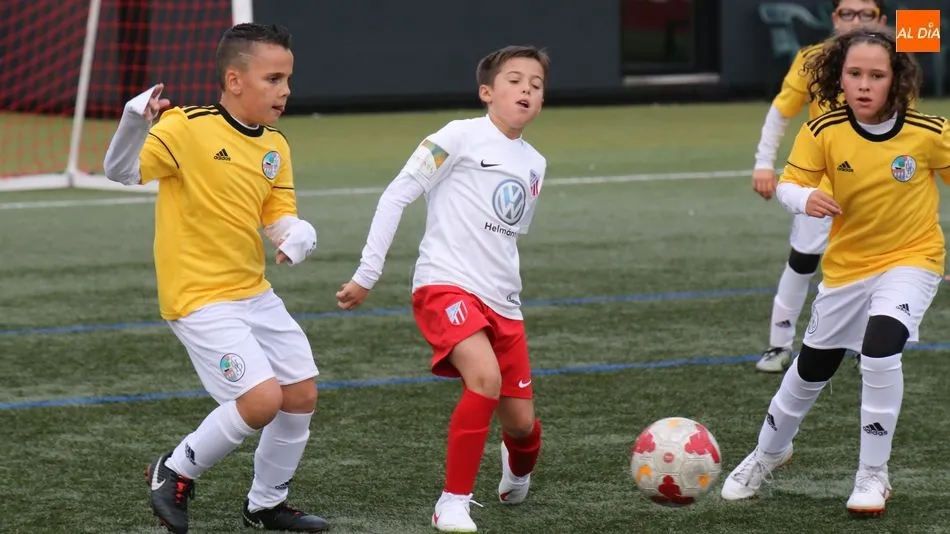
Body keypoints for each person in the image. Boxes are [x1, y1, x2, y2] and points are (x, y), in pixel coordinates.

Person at [102, 23, 327, 533]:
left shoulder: (275, 144)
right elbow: (121, 171)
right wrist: (133, 121)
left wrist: (295, 231)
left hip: (253, 291)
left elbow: (277, 209)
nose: (285, 90)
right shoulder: (187, 126)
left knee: (301, 394)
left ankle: (265, 504)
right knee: (261, 400)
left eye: (287, 78)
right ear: (234, 80)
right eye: (273, 78)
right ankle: (175, 469)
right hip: (198, 296)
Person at [721, 25, 948, 516]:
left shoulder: (929, 133)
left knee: (881, 351)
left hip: (912, 259)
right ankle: (767, 454)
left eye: (876, 75)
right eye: (854, 74)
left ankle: (872, 475)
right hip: (846, 271)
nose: (865, 84)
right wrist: (805, 196)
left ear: (896, 79)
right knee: (810, 370)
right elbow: (787, 185)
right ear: (838, 78)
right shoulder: (823, 130)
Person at [335, 45, 549, 532]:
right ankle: (452, 501)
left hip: (504, 303)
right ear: (486, 92)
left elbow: (507, 234)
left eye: (536, 86)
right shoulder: (458, 135)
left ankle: (517, 468)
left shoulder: (536, 163)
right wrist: (367, 274)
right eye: (515, 81)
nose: (526, 91)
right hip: (445, 285)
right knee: (484, 380)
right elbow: (397, 195)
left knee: (520, 425)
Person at [751, 0, 887, 372]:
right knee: (803, 262)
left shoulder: (897, 54)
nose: (856, 21)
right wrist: (764, 163)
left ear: (882, 20)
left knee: (874, 267)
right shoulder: (812, 58)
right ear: (833, 19)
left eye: (866, 14)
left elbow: (933, 29)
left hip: (876, 187)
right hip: (821, 187)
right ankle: (779, 345)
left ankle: (866, 347)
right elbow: (781, 111)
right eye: (847, 13)